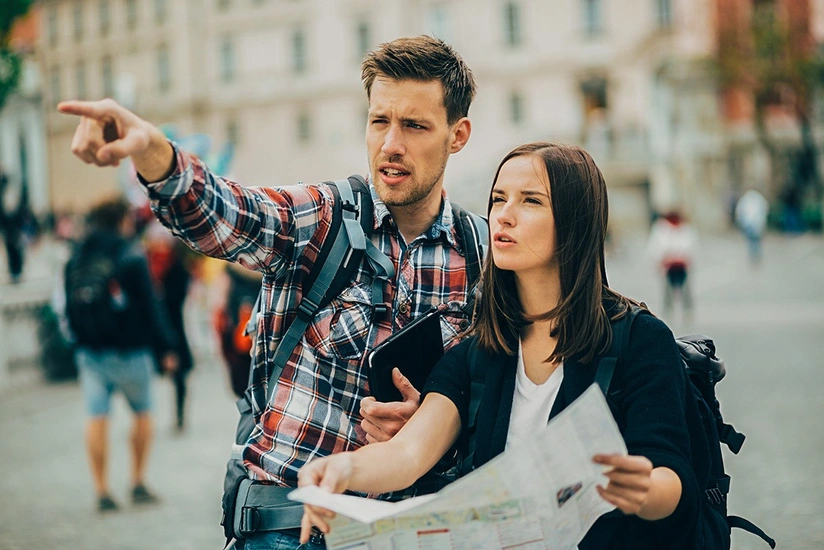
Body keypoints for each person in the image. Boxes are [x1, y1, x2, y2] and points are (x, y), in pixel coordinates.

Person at [59, 36, 482, 548]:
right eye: (378, 121)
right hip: (287, 528)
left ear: (457, 136)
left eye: (414, 125)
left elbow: (500, 398)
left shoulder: (480, 255)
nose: (391, 144)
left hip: (412, 530)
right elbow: (230, 213)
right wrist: (152, 150)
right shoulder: (323, 217)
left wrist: (430, 421)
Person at [298, 143, 704, 549]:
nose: (503, 214)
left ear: (574, 220)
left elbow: (672, 480)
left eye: (530, 201)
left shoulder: (640, 341)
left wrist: (643, 488)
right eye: (498, 199)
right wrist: (341, 469)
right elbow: (408, 453)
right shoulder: (478, 351)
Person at [65, 198, 178, 513]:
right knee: (143, 413)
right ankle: (137, 481)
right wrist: (166, 347)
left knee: (96, 416)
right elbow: (151, 306)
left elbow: (67, 306)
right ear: (121, 221)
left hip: (91, 352)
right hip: (131, 351)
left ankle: (101, 489)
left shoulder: (77, 255)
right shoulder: (131, 255)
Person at [144, 221, 195, 431]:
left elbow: (179, 295)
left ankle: (180, 415)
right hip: (151, 328)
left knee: (179, 374)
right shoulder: (145, 265)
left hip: (174, 326)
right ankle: (144, 419)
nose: (160, 246)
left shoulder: (177, 267)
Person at [645, 210, 697, 321]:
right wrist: (660, 260)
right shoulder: (661, 228)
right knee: (667, 291)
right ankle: (668, 311)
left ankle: (687, 311)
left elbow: (691, 245)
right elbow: (656, 247)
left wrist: (685, 257)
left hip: (682, 265)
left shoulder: (685, 228)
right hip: (668, 265)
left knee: (685, 290)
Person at [735, 189, 769, 265]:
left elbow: (739, 211)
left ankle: (754, 254)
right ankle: (755, 254)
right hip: (754, 223)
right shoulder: (758, 199)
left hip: (752, 222)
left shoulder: (746, 199)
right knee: (754, 240)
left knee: (752, 240)